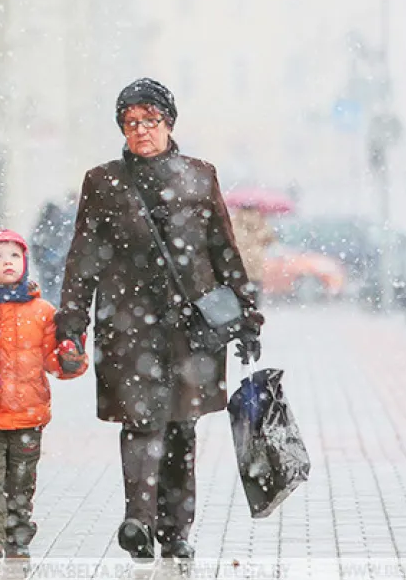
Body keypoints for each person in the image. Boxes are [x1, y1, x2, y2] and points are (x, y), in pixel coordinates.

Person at [55, 78, 263, 562]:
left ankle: (175, 530)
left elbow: (223, 251)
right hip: (127, 323)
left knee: (182, 427)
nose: (141, 131)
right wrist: (71, 326)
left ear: (169, 124)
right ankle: (138, 521)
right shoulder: (103, 181)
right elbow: (82, 258)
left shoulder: (199, 175)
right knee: (142, 420)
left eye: (150, 121)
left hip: (192, 326)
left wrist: (248, 316)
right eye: (131, 123)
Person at [0, 229, 87, 560]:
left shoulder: (42, 312)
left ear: (25, 263)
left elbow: (55, 362)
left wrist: (71, 356)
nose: (7, 262)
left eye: (14, 256)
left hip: (28, 416)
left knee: (22, 481)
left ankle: (17, 531)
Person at [29, 193, 78, 307]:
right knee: (55, 293)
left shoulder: (61, 220)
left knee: (52, 293)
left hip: (52, 264)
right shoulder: (66, 219)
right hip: (54, 265)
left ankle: (52, 312)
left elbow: (35, 242)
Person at [232, 205, 276, 305]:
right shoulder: (261, 222)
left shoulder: (235, 222)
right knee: (255, 300)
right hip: (256, 265)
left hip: (239, 266)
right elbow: (270, 240)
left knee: (240, 301)